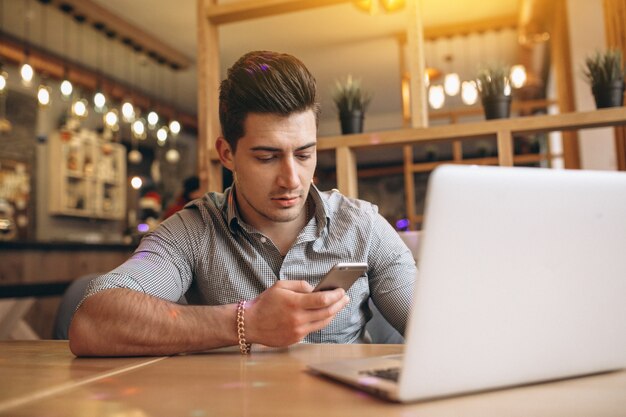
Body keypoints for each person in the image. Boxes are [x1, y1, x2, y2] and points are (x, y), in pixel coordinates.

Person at [69, 51, 416, 357]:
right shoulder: (194, 230)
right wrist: (246, 321)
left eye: (304, 153)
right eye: (267, 157)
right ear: (227, 154)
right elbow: (92, 321)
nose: (292, 179)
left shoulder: (362, 226)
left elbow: (437, 327)